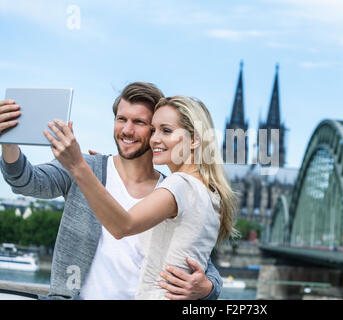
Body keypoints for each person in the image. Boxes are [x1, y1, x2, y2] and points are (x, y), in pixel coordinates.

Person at [0, 83, 222, 300]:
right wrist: (9, 142)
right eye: (121, 119)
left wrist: (209, 286)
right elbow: (26, 182)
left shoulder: (170, 189)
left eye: (140, 122)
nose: (127, 130)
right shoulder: (88, 167)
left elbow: (196, 255)